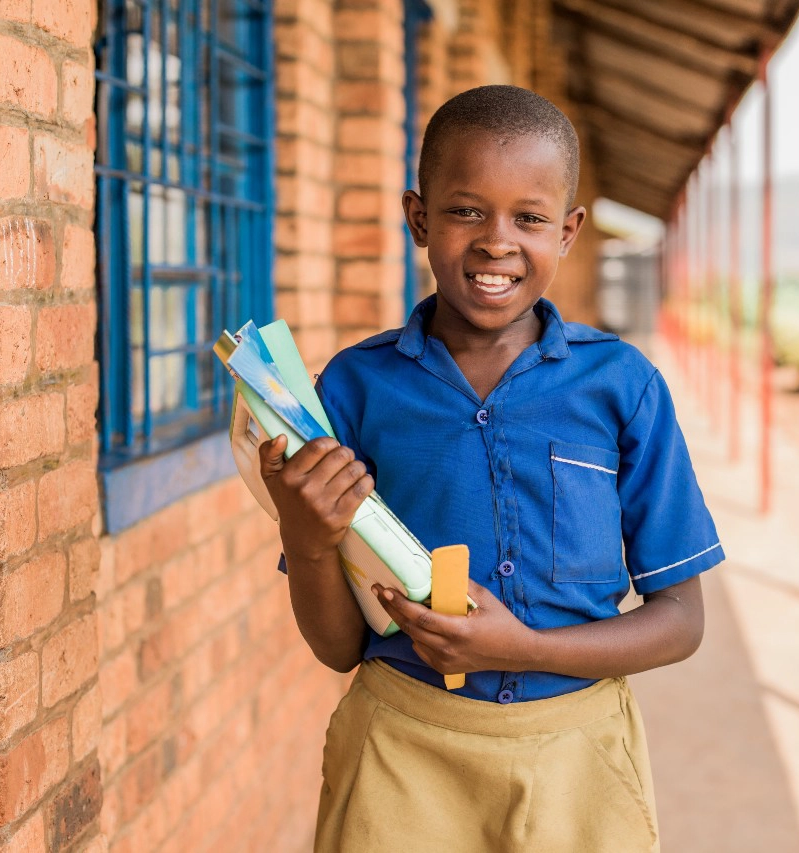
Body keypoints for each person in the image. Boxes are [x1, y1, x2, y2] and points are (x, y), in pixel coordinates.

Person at [259, 85, 724, 853]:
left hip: (577, 756)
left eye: (530, 218)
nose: (496, 242)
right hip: (402, 754)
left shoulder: (622, 386)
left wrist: (525, 648)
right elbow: (340, 647)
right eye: (466, 210)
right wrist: (306, 538)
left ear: (569, 231)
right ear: (419, 218)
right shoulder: (354, 387)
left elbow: (682, 619)